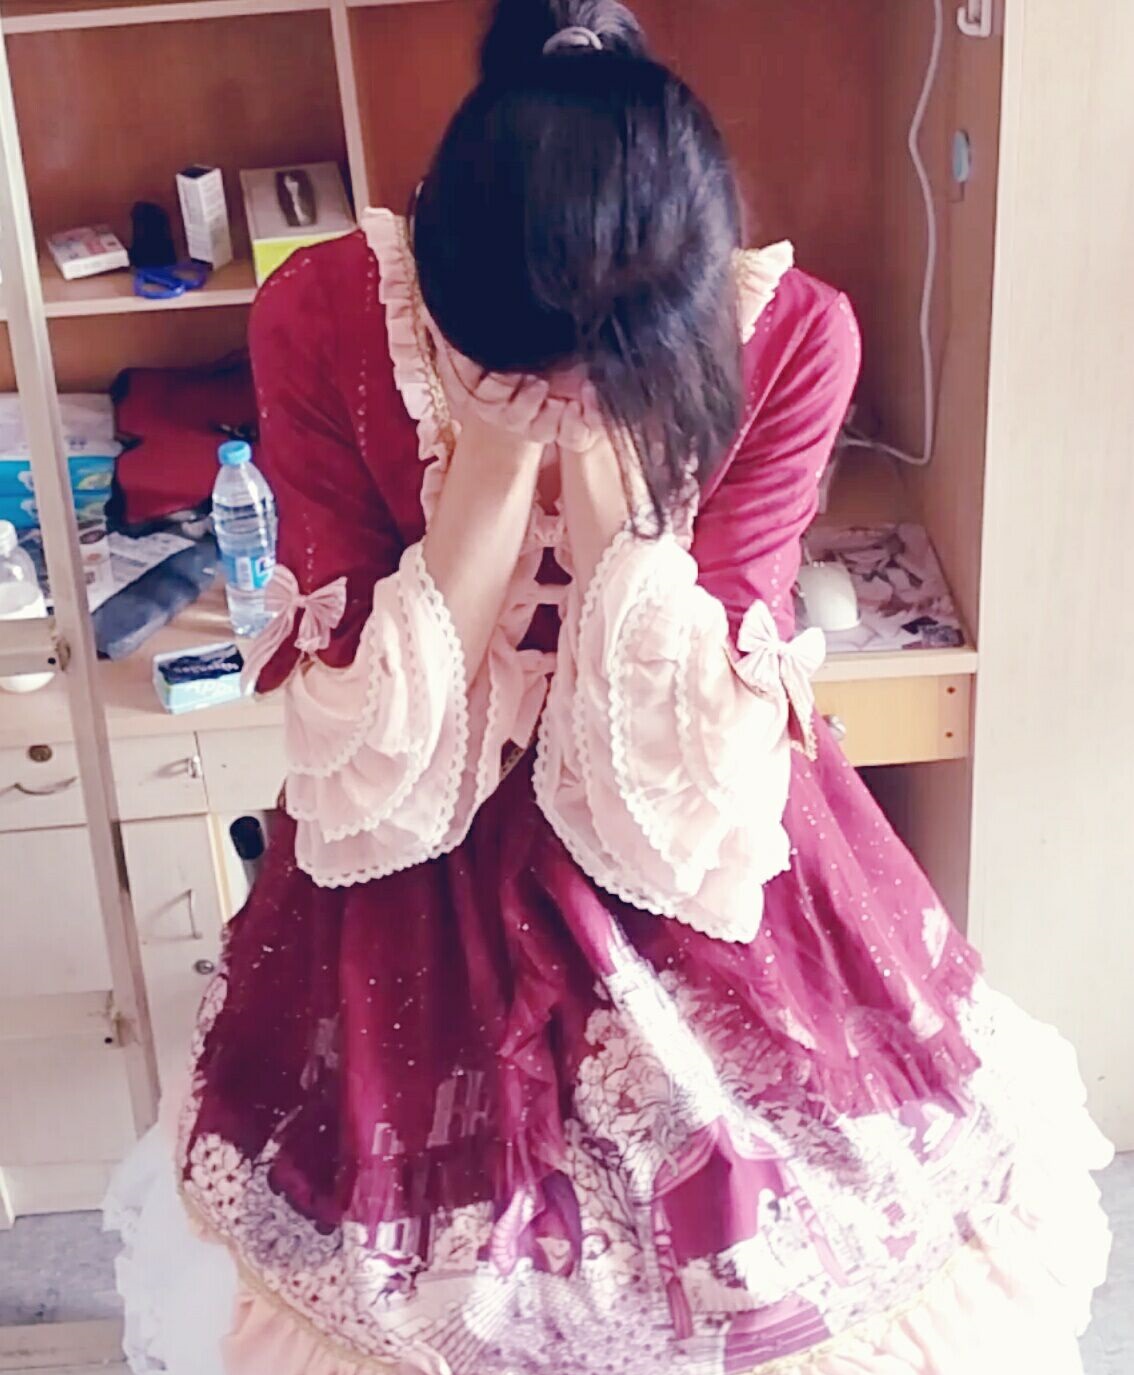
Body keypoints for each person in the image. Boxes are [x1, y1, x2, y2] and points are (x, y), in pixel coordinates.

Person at [108, 3, 1112, 1372]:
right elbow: (363, 753)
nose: (561, 397)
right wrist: (486, 460)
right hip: (411, 869)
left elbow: (686, 778)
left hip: (700, 834)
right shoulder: (324, 310)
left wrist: (602, 475)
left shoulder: (791, 335)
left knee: (779, 1270)